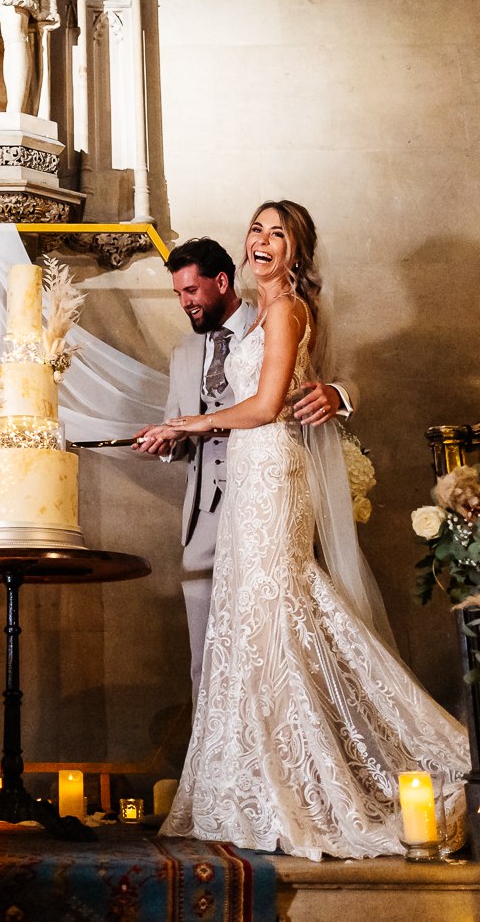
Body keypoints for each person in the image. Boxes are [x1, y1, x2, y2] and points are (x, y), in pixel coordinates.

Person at [155, 201, 469, 860]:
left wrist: (190, 422)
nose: (263, 239)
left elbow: (272, 404)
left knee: (281, 613)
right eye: (258, 228)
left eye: (279, 233)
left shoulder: (288, 309)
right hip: (251, 478)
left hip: (271, 472)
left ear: (296, 252)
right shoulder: (258, 312)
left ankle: (432, 757)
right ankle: (259, 788)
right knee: (262, 621)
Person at [132, 238, 347, 696]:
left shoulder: (273, 315)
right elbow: (183, 426)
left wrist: (338, 394)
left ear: (223, 281)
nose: (185, 303)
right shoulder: (183, 354)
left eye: (191, 291)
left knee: (273, 640)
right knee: (204, 655)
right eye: (178, 294)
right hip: (207, 513)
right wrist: (166, 443)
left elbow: (335, 376)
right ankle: (217, 762)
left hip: (266, 498)